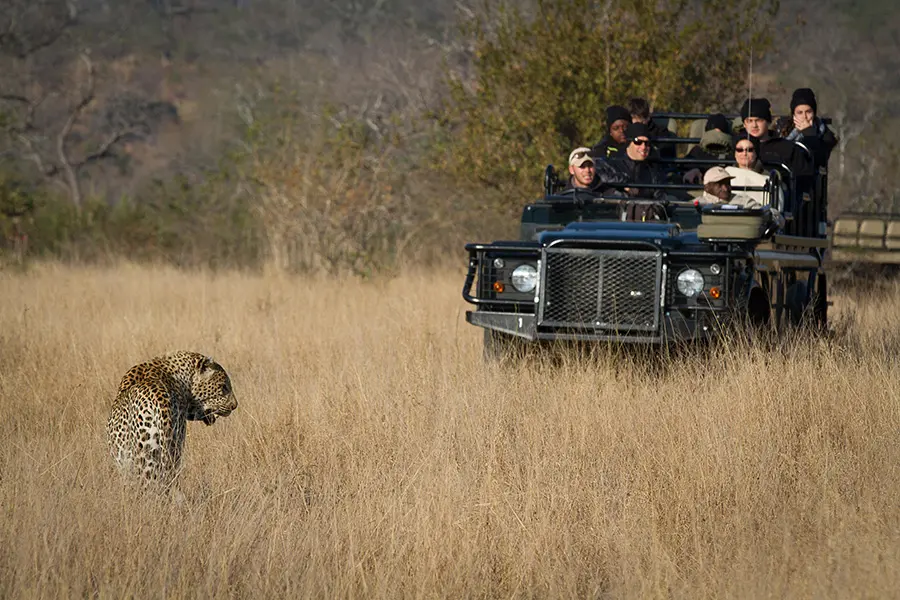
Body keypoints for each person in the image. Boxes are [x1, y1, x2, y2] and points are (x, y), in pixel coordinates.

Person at [740, 97, 812, 177]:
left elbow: (804, 177)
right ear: (744, 124)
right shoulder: (736, 148)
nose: (754, 125)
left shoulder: (787, 148)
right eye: (749, 121)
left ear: (768, 122)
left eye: (759, 120)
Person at [600, 122, 667, 200]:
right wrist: (625, 183)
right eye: (638, 142)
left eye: (647, 143)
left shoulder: (653, 169)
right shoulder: (613, 161)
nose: (643, 147)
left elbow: (660, 196)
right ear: (628, 142)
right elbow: (596, 174)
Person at [784, 87, 838, 169]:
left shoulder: (825, 135)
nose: (804, 117)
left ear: (814, 112)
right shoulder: (783, 128)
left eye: (808, 112)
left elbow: (820, 160)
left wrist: (809, 133)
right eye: (800, 113)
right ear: (793, 114)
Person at [683, 114, 736, 183]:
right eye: (712, 132)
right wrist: (694, 169)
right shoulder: (698, 150)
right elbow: (684, 167)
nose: (716, 136)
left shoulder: (732, 151)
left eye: (719, 132)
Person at [725, 133, 774, 206]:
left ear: (756, 153)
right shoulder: (725, 173)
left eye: (749, 150)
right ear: (735, 154)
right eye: (739, 150)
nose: (744, 153)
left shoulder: (768, 177)